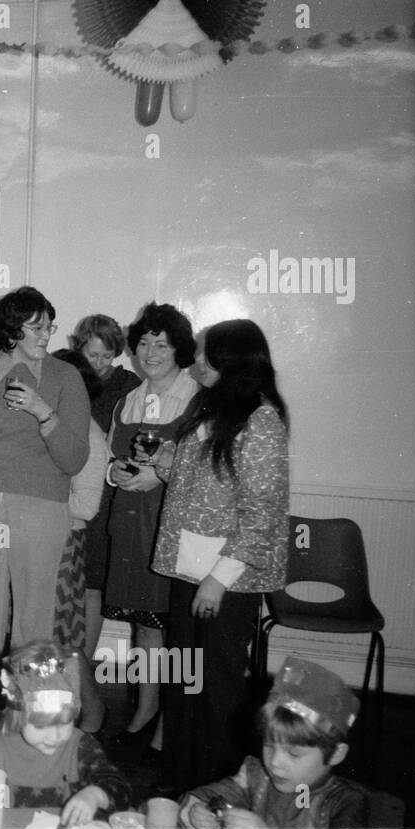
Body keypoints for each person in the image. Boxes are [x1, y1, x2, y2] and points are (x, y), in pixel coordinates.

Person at [153, 318, 290, 792]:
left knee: (217, 691)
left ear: (231, 360)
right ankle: (181, 787)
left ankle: (220, 792)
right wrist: (169, 467)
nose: (194, 362)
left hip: (222, 581)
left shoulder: (262, 420)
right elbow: (209, 490)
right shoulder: (209, 407)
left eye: (204, 354)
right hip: (188, 569)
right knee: (183, 681)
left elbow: (263, 513)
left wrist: (218, 579)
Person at [0, 287, 91, 723]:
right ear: (12, 330)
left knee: (34, 625)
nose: (46, 334)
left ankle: (31, 726)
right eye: (36, 326)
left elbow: (75, 458)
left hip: (42, 508)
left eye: (50, 325)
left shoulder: (66, 378)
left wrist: (44, 413)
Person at [102, 302, 201, 756]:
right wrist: (117, 474)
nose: (152, 351)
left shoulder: (199, 400)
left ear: (180, 348)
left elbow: (206, 470)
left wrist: (159, 475)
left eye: (162, 343)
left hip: (173, 524)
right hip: (130, 523)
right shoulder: (130, 398)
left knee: (172, 625)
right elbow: (111, 455)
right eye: (144, 342)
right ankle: (144, 710)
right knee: (144, 624)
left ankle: (171, 721)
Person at [0, 641, 129, 826]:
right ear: (16, 718)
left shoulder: (82, 746)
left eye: (64, 723)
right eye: (42, 727)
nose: (55, 736)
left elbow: (119, 788)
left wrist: (94, 795)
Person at [179, 657, 367, 829]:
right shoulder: (256, 776)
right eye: (269, 745)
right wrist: (199, 811)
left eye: (293, 754)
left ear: (336, 754)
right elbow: (209, 795)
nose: (275, 762)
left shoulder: (344, 803)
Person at [69, 315, 141, 686]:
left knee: (92, 583)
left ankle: (85, 668)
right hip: (65, 488)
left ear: (117, 354)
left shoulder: (129, 386)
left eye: (105, 356)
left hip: (104, 491)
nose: (97, 363)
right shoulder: (67, 372)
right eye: (91, 354)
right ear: (80, 347)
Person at [47, 352, 111, 732]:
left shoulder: (88, 433)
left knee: (64, 637)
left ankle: (92, 713)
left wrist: (37, 498)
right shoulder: (54, 426)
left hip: (63, 542)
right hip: (39, 539)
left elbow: (86, 506)